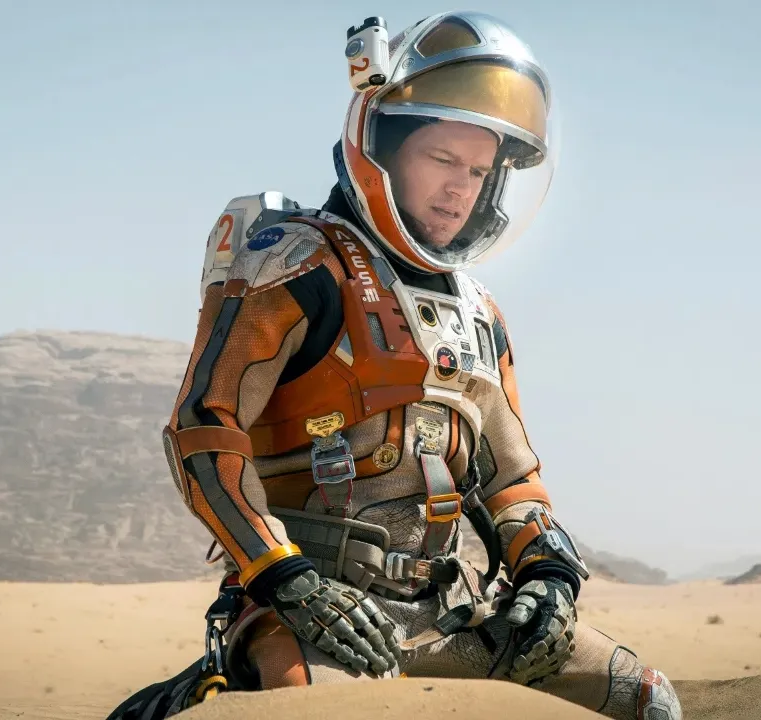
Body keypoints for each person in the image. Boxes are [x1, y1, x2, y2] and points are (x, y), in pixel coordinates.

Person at [110, 11, 682, 720]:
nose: (460, 189)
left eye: (479, 171)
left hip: (453, 611)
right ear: (382, 146)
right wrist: (286, 582)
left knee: (649, 700)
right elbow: (204, 427)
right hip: (316, 616)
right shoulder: (296, 265)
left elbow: (510, 478)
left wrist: (548, 575)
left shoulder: (480, 314)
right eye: (442, 160)